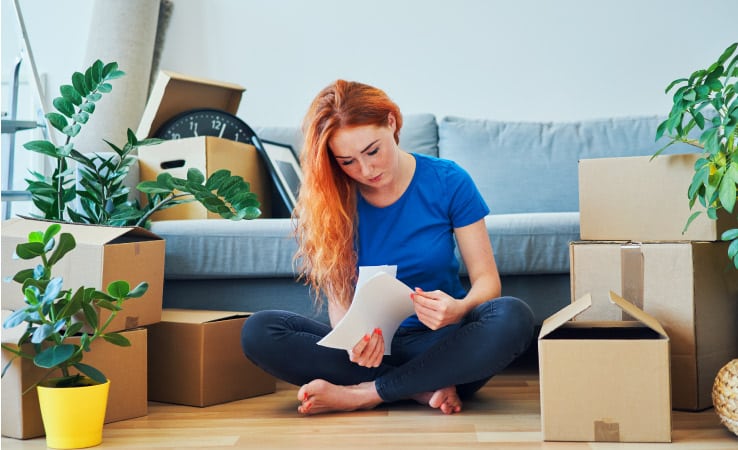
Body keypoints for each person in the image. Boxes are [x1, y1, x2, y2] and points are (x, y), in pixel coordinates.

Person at [241, 80, 535, 416]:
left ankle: (365, 394)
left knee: (513, 316)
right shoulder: (334, 200)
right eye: (347, 161)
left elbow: (487, 281)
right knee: (259, 331)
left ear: (392, 123)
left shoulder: (448, 180)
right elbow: (340, 302)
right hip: (374, 356)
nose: (366, 171)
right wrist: (355, 341)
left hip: (443, 344)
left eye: (372, 151)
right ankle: (421, 389)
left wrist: (459, 307)